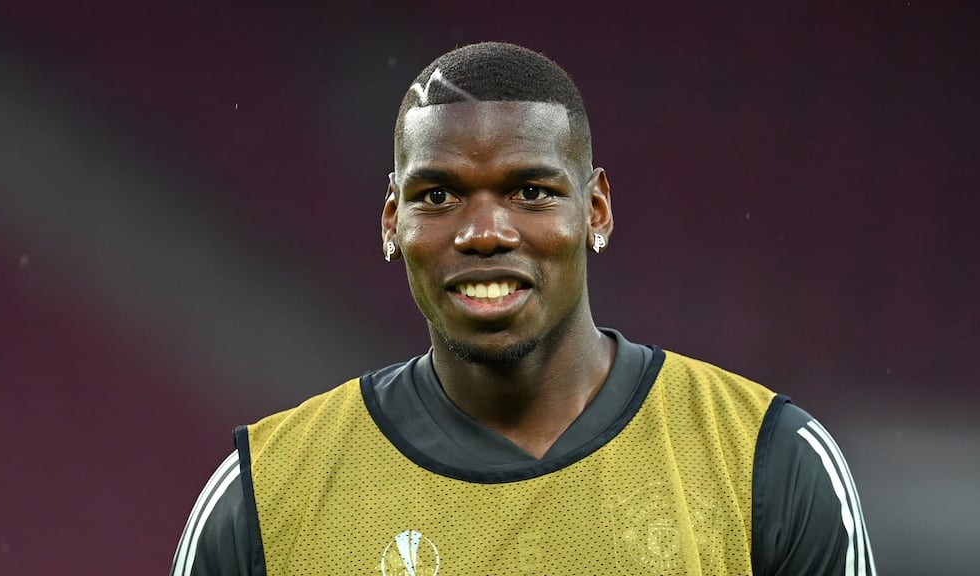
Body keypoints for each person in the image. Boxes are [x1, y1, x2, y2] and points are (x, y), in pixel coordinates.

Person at [170, 41, 876, 576]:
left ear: (594, 209)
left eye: (530, 192)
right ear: (392, 221)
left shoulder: (764, 462)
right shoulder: (268, 493)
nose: (484, 233)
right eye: (438, 195)